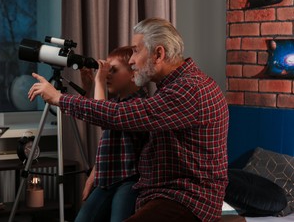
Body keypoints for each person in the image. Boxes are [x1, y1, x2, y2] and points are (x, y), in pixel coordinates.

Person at [28, 17, 229, 222]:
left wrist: (59, 99)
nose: (132, 60)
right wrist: (98, 169)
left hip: (187, 198)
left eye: (136, 50)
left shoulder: (188, 90)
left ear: (158, 54)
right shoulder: (173, 87)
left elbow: (118, 115)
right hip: (162, 192)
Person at [75, 46, 149, 222]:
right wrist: (87, 86)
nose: (107, 74)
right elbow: (94, 112)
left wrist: (99, 81)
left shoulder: (140, 103)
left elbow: (102, 115)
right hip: (107, 177)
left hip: (130, 179)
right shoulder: (116, 102)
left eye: (113, 70)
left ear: (133, 74)